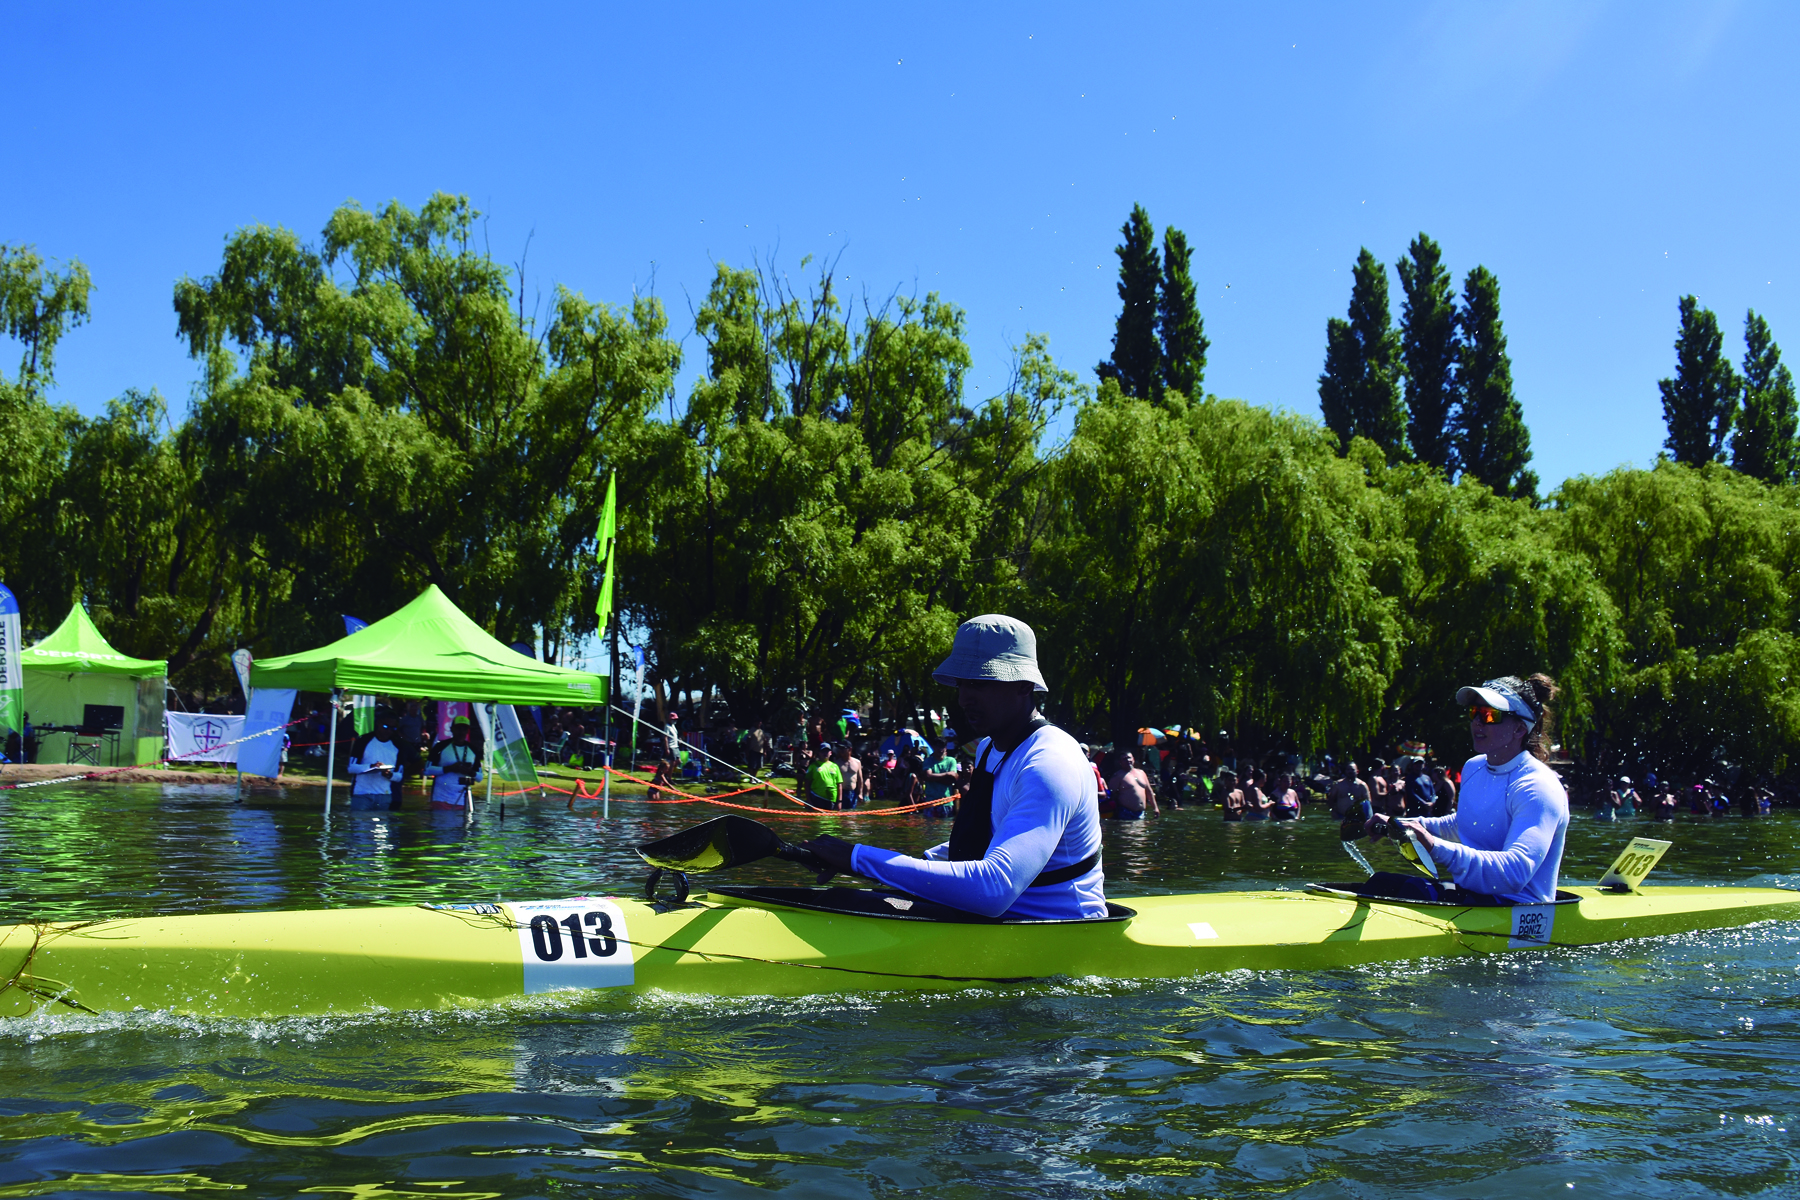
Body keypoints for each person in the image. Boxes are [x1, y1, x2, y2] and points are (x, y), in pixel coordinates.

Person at [792, 614, 1105, 920]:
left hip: (1058, 930)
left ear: (1024, 686)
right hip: (994, 920)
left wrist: (859, 858)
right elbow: (983, 839)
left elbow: (992, 890)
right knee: (843, 898)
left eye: (981, 682)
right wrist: (902, 864)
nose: (964, 697)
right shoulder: (987, 748)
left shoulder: (1049, 764)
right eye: (961, 683)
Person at [1343, 674, 1568, 905]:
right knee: (1382, 882)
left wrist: (1433, 845)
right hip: (1476, 899)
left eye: (1490, 715)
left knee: (1398, 888)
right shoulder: (1474, 767)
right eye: (1474, 713)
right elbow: (1462, 824)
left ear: (1520, 729)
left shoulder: (1538, 787)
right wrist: (1398, 824)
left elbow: (1513, 875)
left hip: (1522, 912)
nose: (1477, 723)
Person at [348, 714, 406, 811]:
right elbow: (351, 768)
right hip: (362, 794)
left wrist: (389, 775)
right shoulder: (364, 740)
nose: (389, 731)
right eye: (386, 727)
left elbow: (399, 776)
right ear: (378, 724)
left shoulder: (398, 745)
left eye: (393, 728)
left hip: (384, 795)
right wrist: (372, 766)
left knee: (381, 825)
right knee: (359, 825)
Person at [424, 720, 483, 811]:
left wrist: (470, 772)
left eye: (464, 729)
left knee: (460, 824)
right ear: (452, 729)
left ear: (467, 731)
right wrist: (450, 768)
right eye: (458, 729)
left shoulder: (473, 749)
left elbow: (480, 777)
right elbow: (426, 770)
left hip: (462, 800)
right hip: (441, 798)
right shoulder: (440, 746)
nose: (461, 732)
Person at [1107, 750, 1158, 820]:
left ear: (1133, 759)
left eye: (1129, 758)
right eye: (1124, 759)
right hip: (1126, 812)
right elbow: (1111, 794)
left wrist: (1155, 808)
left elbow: (1149, 792)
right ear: (1120, 762)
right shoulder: (1118, 776)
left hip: (1141, 813)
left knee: (1140, 830)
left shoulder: (1142, 773)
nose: (1128, 760)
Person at [922, 738, 960, 817]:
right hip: (931, 801)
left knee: (946, 828)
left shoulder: (951, 760)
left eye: (942, 747)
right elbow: (928, 776)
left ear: (945, 748)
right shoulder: (928, 761)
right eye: (938, 747)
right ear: (934, 747)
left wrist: (933, 777)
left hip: (947, 802)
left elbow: (952, 780)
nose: (940, 749)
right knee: (930, 828)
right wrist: (947, 774)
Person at [804, 740, 842, 810]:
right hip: (817, 797)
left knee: (830, 820)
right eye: (823, 751)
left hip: (832, 798)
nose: (825, 753)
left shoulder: (835, 766)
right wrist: (808, 800)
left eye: (827, 751)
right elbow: (807, 783)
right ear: (819, 753)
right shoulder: (813, 766)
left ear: (830, 753)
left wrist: (839, 801)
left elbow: (839, 784)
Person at [837, 742, 865, 810]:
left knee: (852, 815)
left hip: (853, 793)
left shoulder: (857, 762)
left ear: (850, 749)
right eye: (840, 748)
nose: (841, 750)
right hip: (841, 793)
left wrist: (860, 793)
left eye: (843, 748)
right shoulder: (837, 763)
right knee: (841, 813)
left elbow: (860, 779)